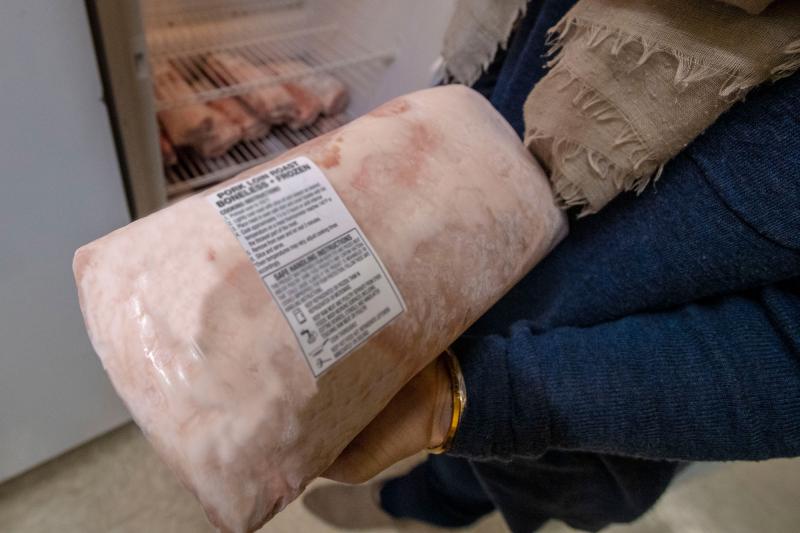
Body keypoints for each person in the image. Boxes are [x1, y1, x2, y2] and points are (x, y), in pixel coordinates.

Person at [304, 1, 800, 531]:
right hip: (465, 292)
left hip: (583, 383)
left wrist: (463, 402)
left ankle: (424, 508)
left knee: (489, 468)